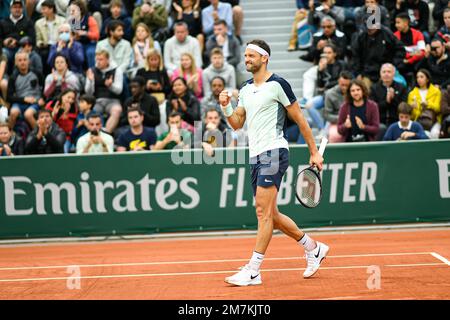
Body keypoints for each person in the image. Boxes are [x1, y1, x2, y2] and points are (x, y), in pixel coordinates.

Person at [219, 39, 327, 287]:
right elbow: (237, 123)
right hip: (255, 155)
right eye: (245, 56)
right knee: (271, 214)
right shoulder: (245, 89)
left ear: (264, 58)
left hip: (274, 151)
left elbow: (300, 119)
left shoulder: (279, 84)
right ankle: (313, 247)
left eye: (250, 56)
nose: (246, 60)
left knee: (262, 213)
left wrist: (314, 151)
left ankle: (254, 270)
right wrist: (226, 107)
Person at [84, 50, 123, 134]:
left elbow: (119, 91)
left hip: (112, 100)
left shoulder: (117, 70)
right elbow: (88, 93)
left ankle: (106, 134)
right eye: (97, 59)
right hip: (97, 100)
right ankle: (94, 133)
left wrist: (110, 86)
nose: (98, 62)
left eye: (101, 59)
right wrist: (91, 81)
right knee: (91, 113)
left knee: (117, 110)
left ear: (107, 60)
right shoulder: (92, 71)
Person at [7, 51, 44, 130]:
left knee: (28, 114)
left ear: (29, 61)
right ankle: (8, 135)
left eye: (24, 60)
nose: (22, 62)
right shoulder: (13, 77)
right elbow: (9, 97)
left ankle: (40, 134)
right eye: (20, 60)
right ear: (16, 63)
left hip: (35, 101)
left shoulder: (37, 73)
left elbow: (44, 88)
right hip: (20, 102)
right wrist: (24, 99)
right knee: (13, 113)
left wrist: (42, 98)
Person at [370, 63, 408, 139]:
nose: (386, 74)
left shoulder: (401, 87)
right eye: (384, 72)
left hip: (397, 120)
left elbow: (403, 108)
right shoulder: (374, 88)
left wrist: (393, 99)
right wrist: (386, 102)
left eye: (389, 72)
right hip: (380, 121)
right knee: (381, 128)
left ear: (394, 74)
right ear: (380, 74)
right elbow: (373, 109)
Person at [0, 0, 35, 73]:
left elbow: (32, 39)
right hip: (7, 49)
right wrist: (4, 42)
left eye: (19, 7)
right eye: (15, 7)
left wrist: (18, 42)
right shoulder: (3, 22)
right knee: (3, 53)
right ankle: (3, 76)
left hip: (22, 48)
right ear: (10, 9)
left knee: (23, 56)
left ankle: (18, 77)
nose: (17, 9)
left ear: (23, 9)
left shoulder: (28, 22)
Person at [407, 68, 442, 139]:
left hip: (433, 120)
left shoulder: (436, 91)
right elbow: (411, 116)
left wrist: (428, 104)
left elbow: (438, 108)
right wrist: (412, 108)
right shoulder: (412, 94)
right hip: (418, 120)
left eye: (421, 77)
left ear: (427, 79)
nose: (419, 79)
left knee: (435, 133)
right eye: (417, 77)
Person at [34, 0, 65, 75]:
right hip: (46, 47)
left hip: (59, 45)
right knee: (43, 54)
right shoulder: (38, 23)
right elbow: (38, 39)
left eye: (44, 9)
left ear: (51, 9)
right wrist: (41, 44)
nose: (42, 11)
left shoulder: (62, 21)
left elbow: (65, 36)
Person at [68, 0, 100, 69]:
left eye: (73, 10)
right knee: (71, 51)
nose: (71, 12)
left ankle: (93, 71)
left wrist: (85, 33)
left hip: (89, 43)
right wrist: (74, 37)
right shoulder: (72, 21)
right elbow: (70, 35)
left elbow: (96, 35)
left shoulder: (90, 19)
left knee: (90, 53)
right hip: (77, 43)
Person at [45, 88, 78, 153]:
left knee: (64, 152)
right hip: (49, 134)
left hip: (65, 137)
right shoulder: (52, 104)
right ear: (62, 96)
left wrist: (65, 114)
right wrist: (54, 114)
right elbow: (47, 123)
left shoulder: (73, 109)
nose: (70, 100)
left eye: (72, 99)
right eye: (68, 97)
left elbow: (68, 130)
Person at [393, 12, 426, 78]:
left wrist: (408, 60)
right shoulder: (394, 36)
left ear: (406, 23)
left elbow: (422, 52)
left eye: (398, 22)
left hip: (415, 62)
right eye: (396, 23)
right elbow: (396, 54)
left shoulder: (418, 34)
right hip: (401, 63)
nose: (396, 25)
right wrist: (412, 53)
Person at [323, 70, 352, 143]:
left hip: (353, 119)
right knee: (333, 135)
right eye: (342, 85)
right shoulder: (330, 94)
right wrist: (342, 119)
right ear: (338, 81)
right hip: (336, 121)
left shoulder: (354, 91)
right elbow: (327, 115)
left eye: (347, 85)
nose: (345, 88)